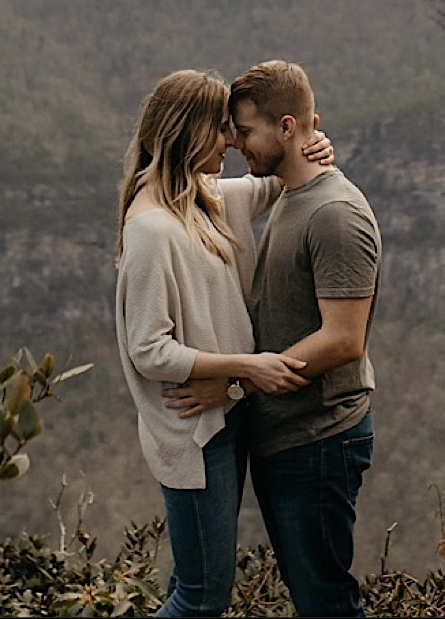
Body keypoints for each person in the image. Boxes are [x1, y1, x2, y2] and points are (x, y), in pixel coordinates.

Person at [166, 59, 381, 619]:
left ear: (286, 128)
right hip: (287, 435)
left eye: (245, 130)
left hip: (319, 437)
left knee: (325, 602)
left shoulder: (334, 214)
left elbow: (342, 340)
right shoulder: (289, 192)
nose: (236, 143)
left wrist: (236, 380)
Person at [114, 69, 330, 618]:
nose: (232, 143)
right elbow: (148, 349)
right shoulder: (151, 230)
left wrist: (309, 140)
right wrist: (246, 367)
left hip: (226, 414)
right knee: (202, 597)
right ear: (188, 133)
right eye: (222, 131)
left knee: (193, 583)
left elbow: (280, 176)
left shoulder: (204, 199)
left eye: (237, 131)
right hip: (194, 434)